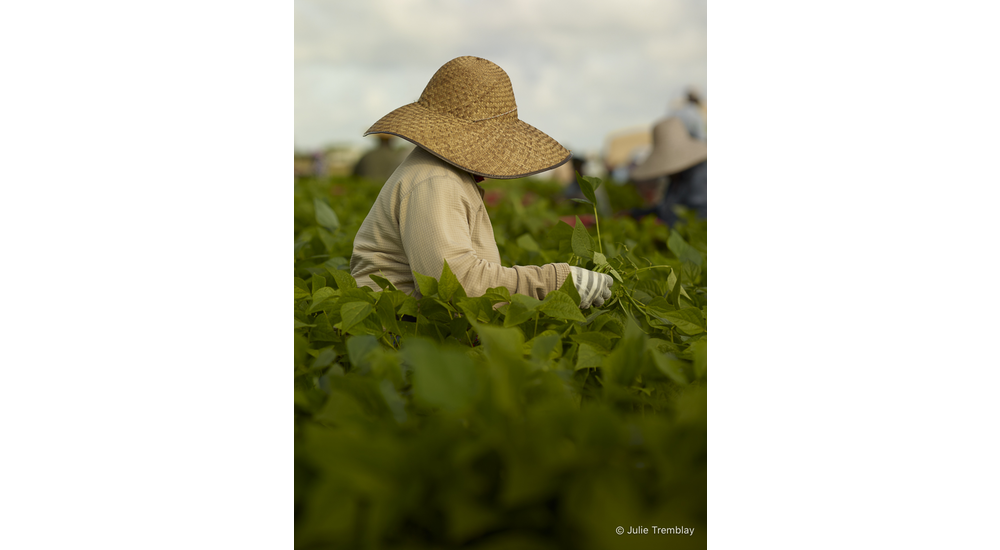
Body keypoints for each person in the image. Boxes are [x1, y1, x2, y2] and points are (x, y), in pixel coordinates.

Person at [350, 56, 612, 309]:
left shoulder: (443, 174)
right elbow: (457, 286)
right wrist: (556, 281)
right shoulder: (436, 180)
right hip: (400, 337)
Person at [628, 117, 707, 227]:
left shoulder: (698, 176)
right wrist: (635, 214)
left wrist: (666, 227)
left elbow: (701, 216)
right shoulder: (675, 179)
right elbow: (665, 211)